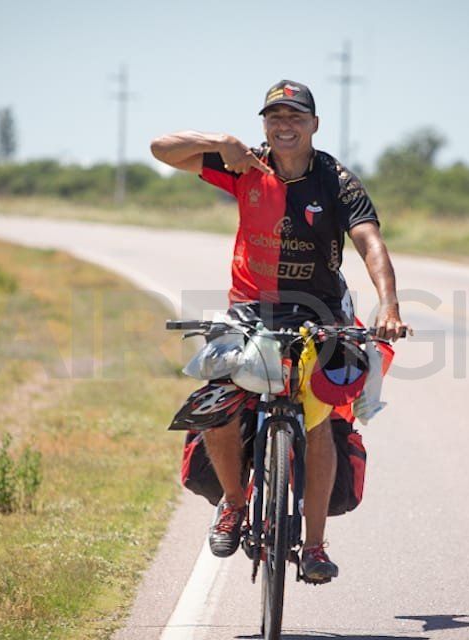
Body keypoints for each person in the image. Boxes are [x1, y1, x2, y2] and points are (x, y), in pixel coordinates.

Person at [151, 79, 408, 584]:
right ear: (264, 124)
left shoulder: (336, 179)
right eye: (275, 117)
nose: (284, 126)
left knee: (317, 424)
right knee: (218, 403)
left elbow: (369, 241)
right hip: (250, 312)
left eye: (295, 117)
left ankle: (313, 547)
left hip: (320, 315)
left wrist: (389, 303)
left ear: (314, 124)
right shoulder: (245, 165)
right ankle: (231, 503)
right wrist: (215, 140)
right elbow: (160, 149)